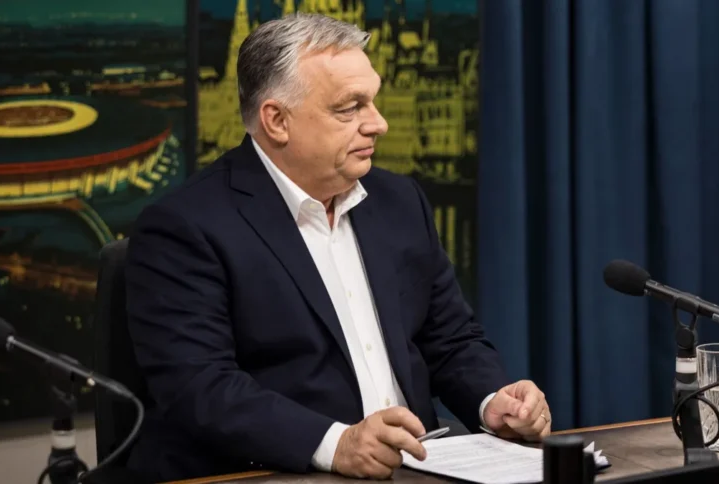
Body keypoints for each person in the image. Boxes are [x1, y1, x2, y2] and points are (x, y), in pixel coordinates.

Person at [124, 13, 551, 482]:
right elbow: (200, 387)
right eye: (350, 108)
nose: (379, 124)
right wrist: (335, 445)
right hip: (279, 473)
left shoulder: (398, 201)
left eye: (374, 101)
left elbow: (450, 339)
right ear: (277, 120)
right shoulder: (186, 226)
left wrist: (493, 401)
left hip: (421, 467)